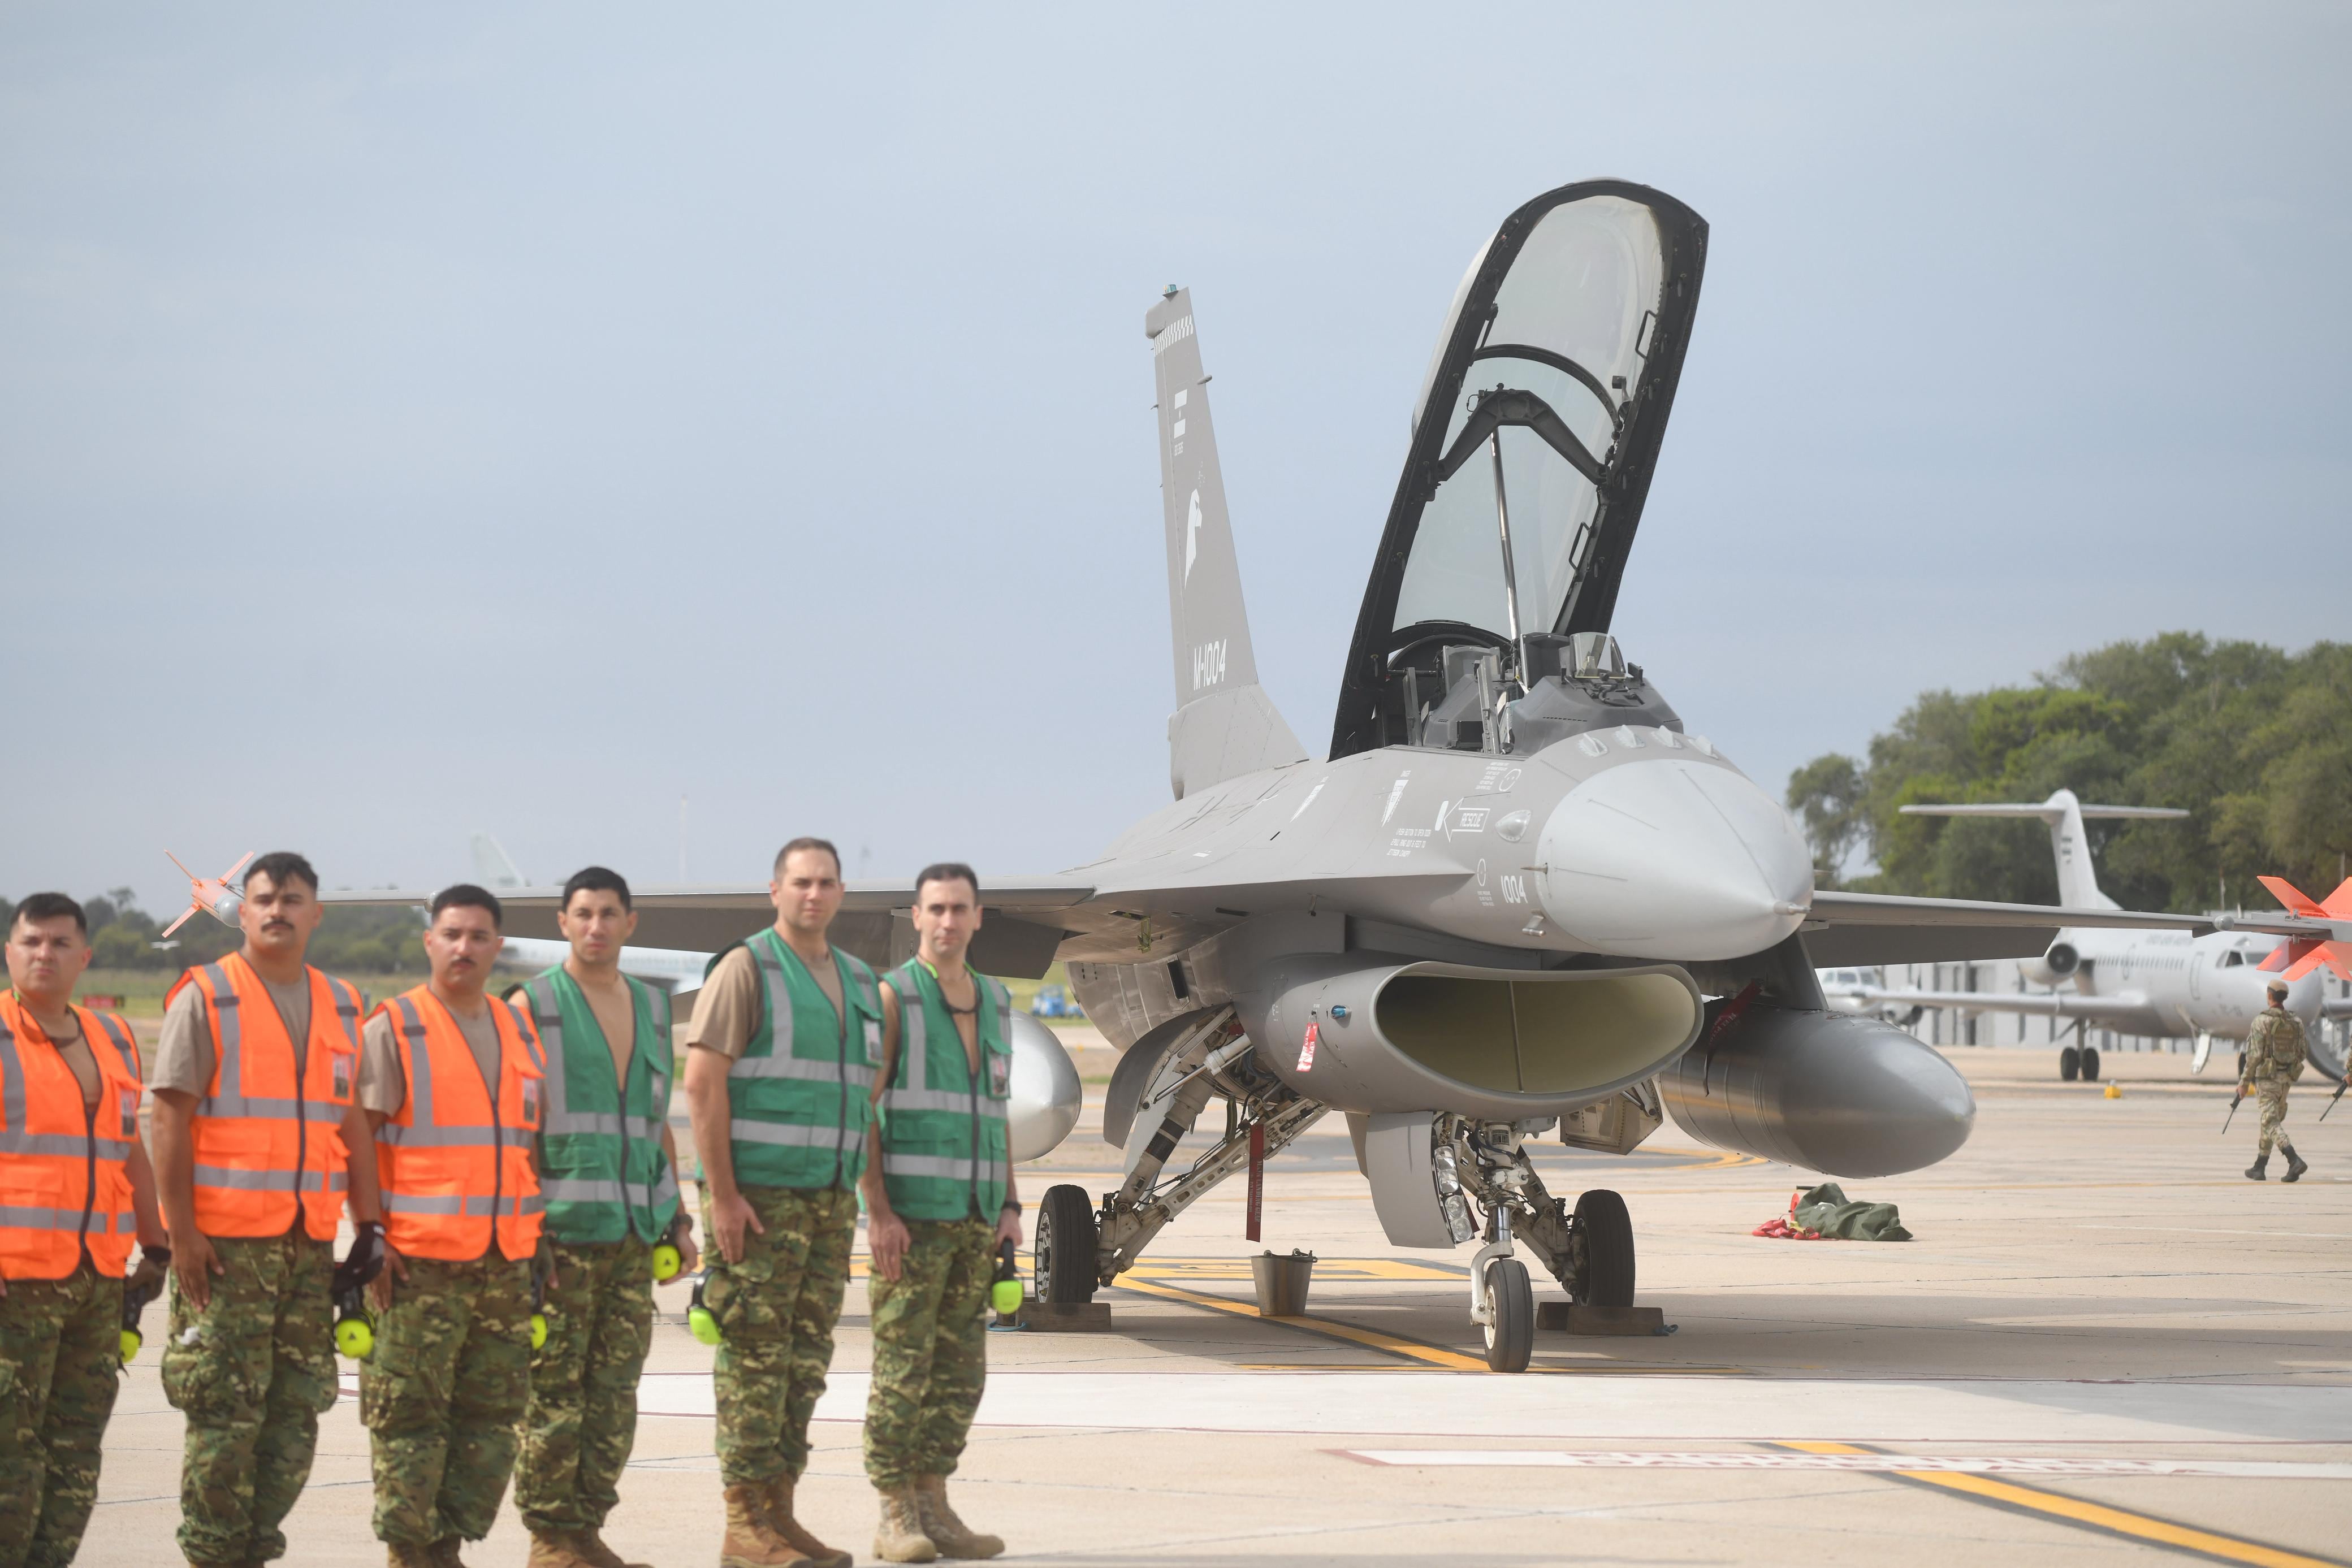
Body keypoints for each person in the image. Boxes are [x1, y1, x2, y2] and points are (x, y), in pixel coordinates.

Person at [148, 851, 385, 1567]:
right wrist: (181, 1233)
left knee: (294, 1415)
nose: (277, 909)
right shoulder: (207, 995)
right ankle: (215, 1555)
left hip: (306, 1248)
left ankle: (252, 1551)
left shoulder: (344, 1002)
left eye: (292, 898)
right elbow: (167, 1120)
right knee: (224, 1416)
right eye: (263, 898)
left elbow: (349, 1126)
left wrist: (369, 1226)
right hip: (224, 1251)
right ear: (241, 912)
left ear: (316, 912)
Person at [682, 839, 881, 1568]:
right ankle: (742, 1526)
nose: (813, 894)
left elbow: (863, 1097)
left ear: (840, 891)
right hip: (758, 1203)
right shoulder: (747, 968)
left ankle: (779, 1514)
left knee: (803, 1365)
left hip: (827, 1205)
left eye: (826, 882)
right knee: (752, 1365)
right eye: (800, 882)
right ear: (775, 889)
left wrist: (870, 1201)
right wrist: (723, 1196)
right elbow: (702, 1084)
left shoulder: (859, 981)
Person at [509, 868, 697, 1568]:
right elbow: (514, 1127)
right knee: (555, 1392)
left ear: (630, 923)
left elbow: (653, 1121)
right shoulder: (533, 1005)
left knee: (614, 1393)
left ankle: (586, 1530)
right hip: (558, 1233)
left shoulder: (651, 1008)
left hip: (628, 1238)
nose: (595, 925)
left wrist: (675, 1212)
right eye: (582, 913)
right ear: (561, 922)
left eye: (608, 913)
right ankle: (550, 1539)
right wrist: (525, 1230)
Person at [358, 885, 546, 1567]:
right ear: (429, 941)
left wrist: (537, 1241)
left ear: (498, 945)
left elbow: (524, 1144)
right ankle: (411, 1553)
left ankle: (447, 1546)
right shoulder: (395, 1025)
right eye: (451, 933)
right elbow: (359, 1140)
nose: (464, 946)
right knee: (410, 1417)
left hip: (503, 1260)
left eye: (478, 935)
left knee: (491, 1420)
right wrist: (369, 1236)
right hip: (418, 1263)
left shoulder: (515, 1026)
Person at [0, 893, 170, 1568]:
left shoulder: (114, 1037)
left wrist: (154, 1243)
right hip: (16, 1284)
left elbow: (130, 1146)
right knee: (9, 1456)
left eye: (59, 943)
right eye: (31, 941)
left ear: (84, 956)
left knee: (74, 1453)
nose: (44, 954)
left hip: (96, 1281)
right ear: (10, 951)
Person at [858, 864, 1019, 1563]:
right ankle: (895, 1511)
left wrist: (1011, 1203)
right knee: (902, 1367)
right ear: (917, 917)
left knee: (960, 1371)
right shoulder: (892, 997)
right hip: (912, 1220)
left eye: (959, 908)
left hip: (976, 1217)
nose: (947, 921)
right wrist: (878, 1211)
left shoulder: (995, 1000)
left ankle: (935, 1502)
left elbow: (996, 1109)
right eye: (935, 909)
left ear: (978, 916)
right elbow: (861, 1107)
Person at [2241, 977, 2340, 1181]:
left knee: (2270, 1121)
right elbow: (2303, 1052)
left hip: (2267, 1079)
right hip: (2286, 1079)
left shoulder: (2262, 1021)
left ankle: (2294, 1160)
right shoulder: (2295, 1022)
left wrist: (2244, 1082)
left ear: (2269, 996)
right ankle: (2260, 1166)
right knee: (2270, 1120)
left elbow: (2253, 1056)